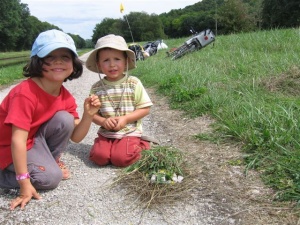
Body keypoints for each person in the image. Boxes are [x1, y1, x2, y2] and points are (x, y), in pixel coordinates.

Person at [0, 29, 101, 210]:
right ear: (37, 61)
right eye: (50, 56)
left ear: (74, 64)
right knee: (50, 178)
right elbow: (17, 140)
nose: (58, 61)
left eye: (65, 56)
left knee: (65, 119)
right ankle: (13, 174)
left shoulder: (65, 96)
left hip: (31, 141)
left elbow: (75, 137)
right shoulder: (25, 93)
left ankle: (47, 162)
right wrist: (24, 184)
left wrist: (89, 115)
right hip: (6, 147)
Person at [85, 34, 153, 167]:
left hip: (129, 131)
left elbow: (145, 109)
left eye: (117, 59)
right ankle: (108, 147)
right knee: (99, 158)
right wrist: (104, 121)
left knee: (121, 159)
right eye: (106, 60)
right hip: (106, 132)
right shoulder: (97, 88)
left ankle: (143, 144)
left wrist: (126, 119)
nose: (112, 64)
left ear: (126, 61)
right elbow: (92, 114)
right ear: (99, 64)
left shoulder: (133, 83)